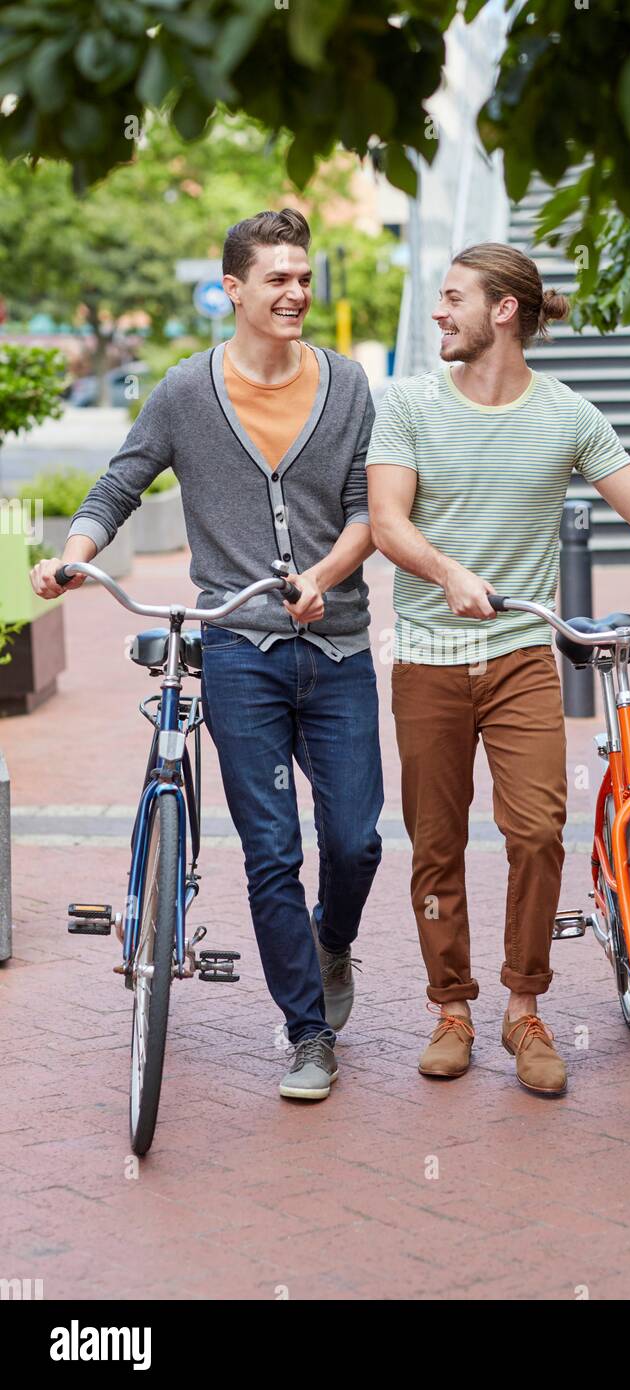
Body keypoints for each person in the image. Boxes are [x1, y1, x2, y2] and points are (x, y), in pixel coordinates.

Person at [366, 241, 630, 1096]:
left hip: (519, 655)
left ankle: (523, 1006)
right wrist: (449, 575)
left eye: (454, 297)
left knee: (537, 831)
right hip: (429, 656)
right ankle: (452, 1009)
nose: (440, 311)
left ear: (504, 310)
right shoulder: (406, 405)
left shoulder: (569, 416)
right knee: (435, 844)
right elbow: (388, 522)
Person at [30, 209, 383, 1102]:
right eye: (278, 278)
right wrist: (75, 555)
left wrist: (324, 574)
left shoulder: (348, 388)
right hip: (237, 651)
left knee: (356, 841)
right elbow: (119, 480)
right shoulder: (185, 392)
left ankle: (330, 940)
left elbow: (366, 510)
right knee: (272, 847)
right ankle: (307, 1036)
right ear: (234, 289)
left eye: (305, 277)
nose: (297, 292)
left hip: (336, 644)